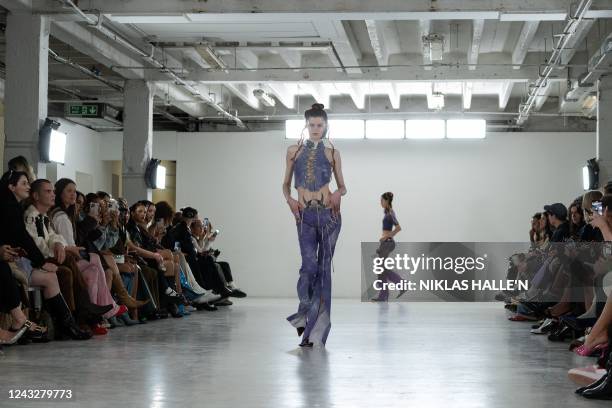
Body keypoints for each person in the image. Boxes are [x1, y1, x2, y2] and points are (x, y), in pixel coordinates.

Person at [282, 103, 346, 347]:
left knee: (324, 273)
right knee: (308, 268)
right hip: (304, 216)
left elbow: (342, 185)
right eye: (312, 125)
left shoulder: (332, 153)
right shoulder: (293, 151)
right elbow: (285, 184)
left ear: (326, 126)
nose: (316, 129)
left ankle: (314, 333)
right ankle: (302, 315)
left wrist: (339, 193)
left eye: (320, 125)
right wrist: (289, 200)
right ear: (306, 126)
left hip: (330, 216)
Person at [371, 192, 404, 302]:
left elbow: (398, 228)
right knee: (381, 269)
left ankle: (398, 286)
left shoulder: (390, 213)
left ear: (387, 201)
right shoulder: (387, 213)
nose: (380, 203)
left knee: (381, 268)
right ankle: (385, 294)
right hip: (385, 243)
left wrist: (386, 237)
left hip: (388, 242)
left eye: (381, 200)